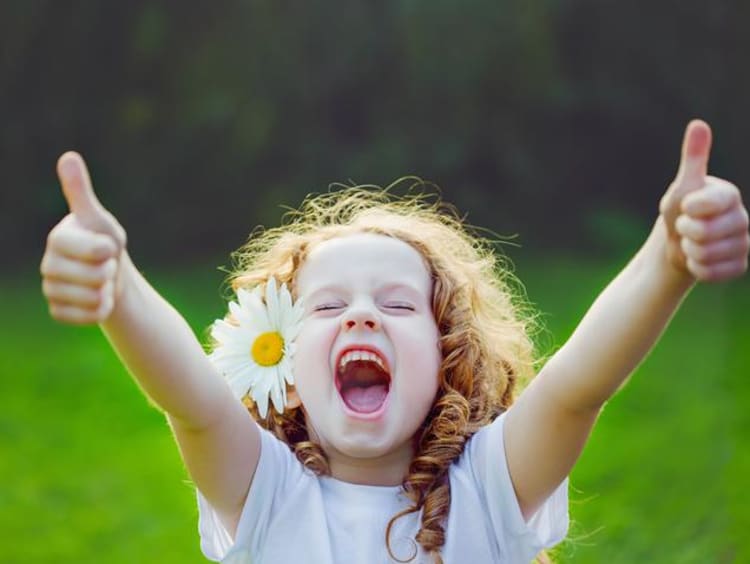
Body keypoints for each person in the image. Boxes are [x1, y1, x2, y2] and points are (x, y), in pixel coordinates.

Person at [40, 119, 748, 563]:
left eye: (399, 302)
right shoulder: (269, 497)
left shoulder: (489, 491)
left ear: (448, 356)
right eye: (327, 305)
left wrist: (668, 261)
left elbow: (577, 387)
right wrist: (118, 287)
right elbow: (190, 399)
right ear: (281, 360)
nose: (361, 316)